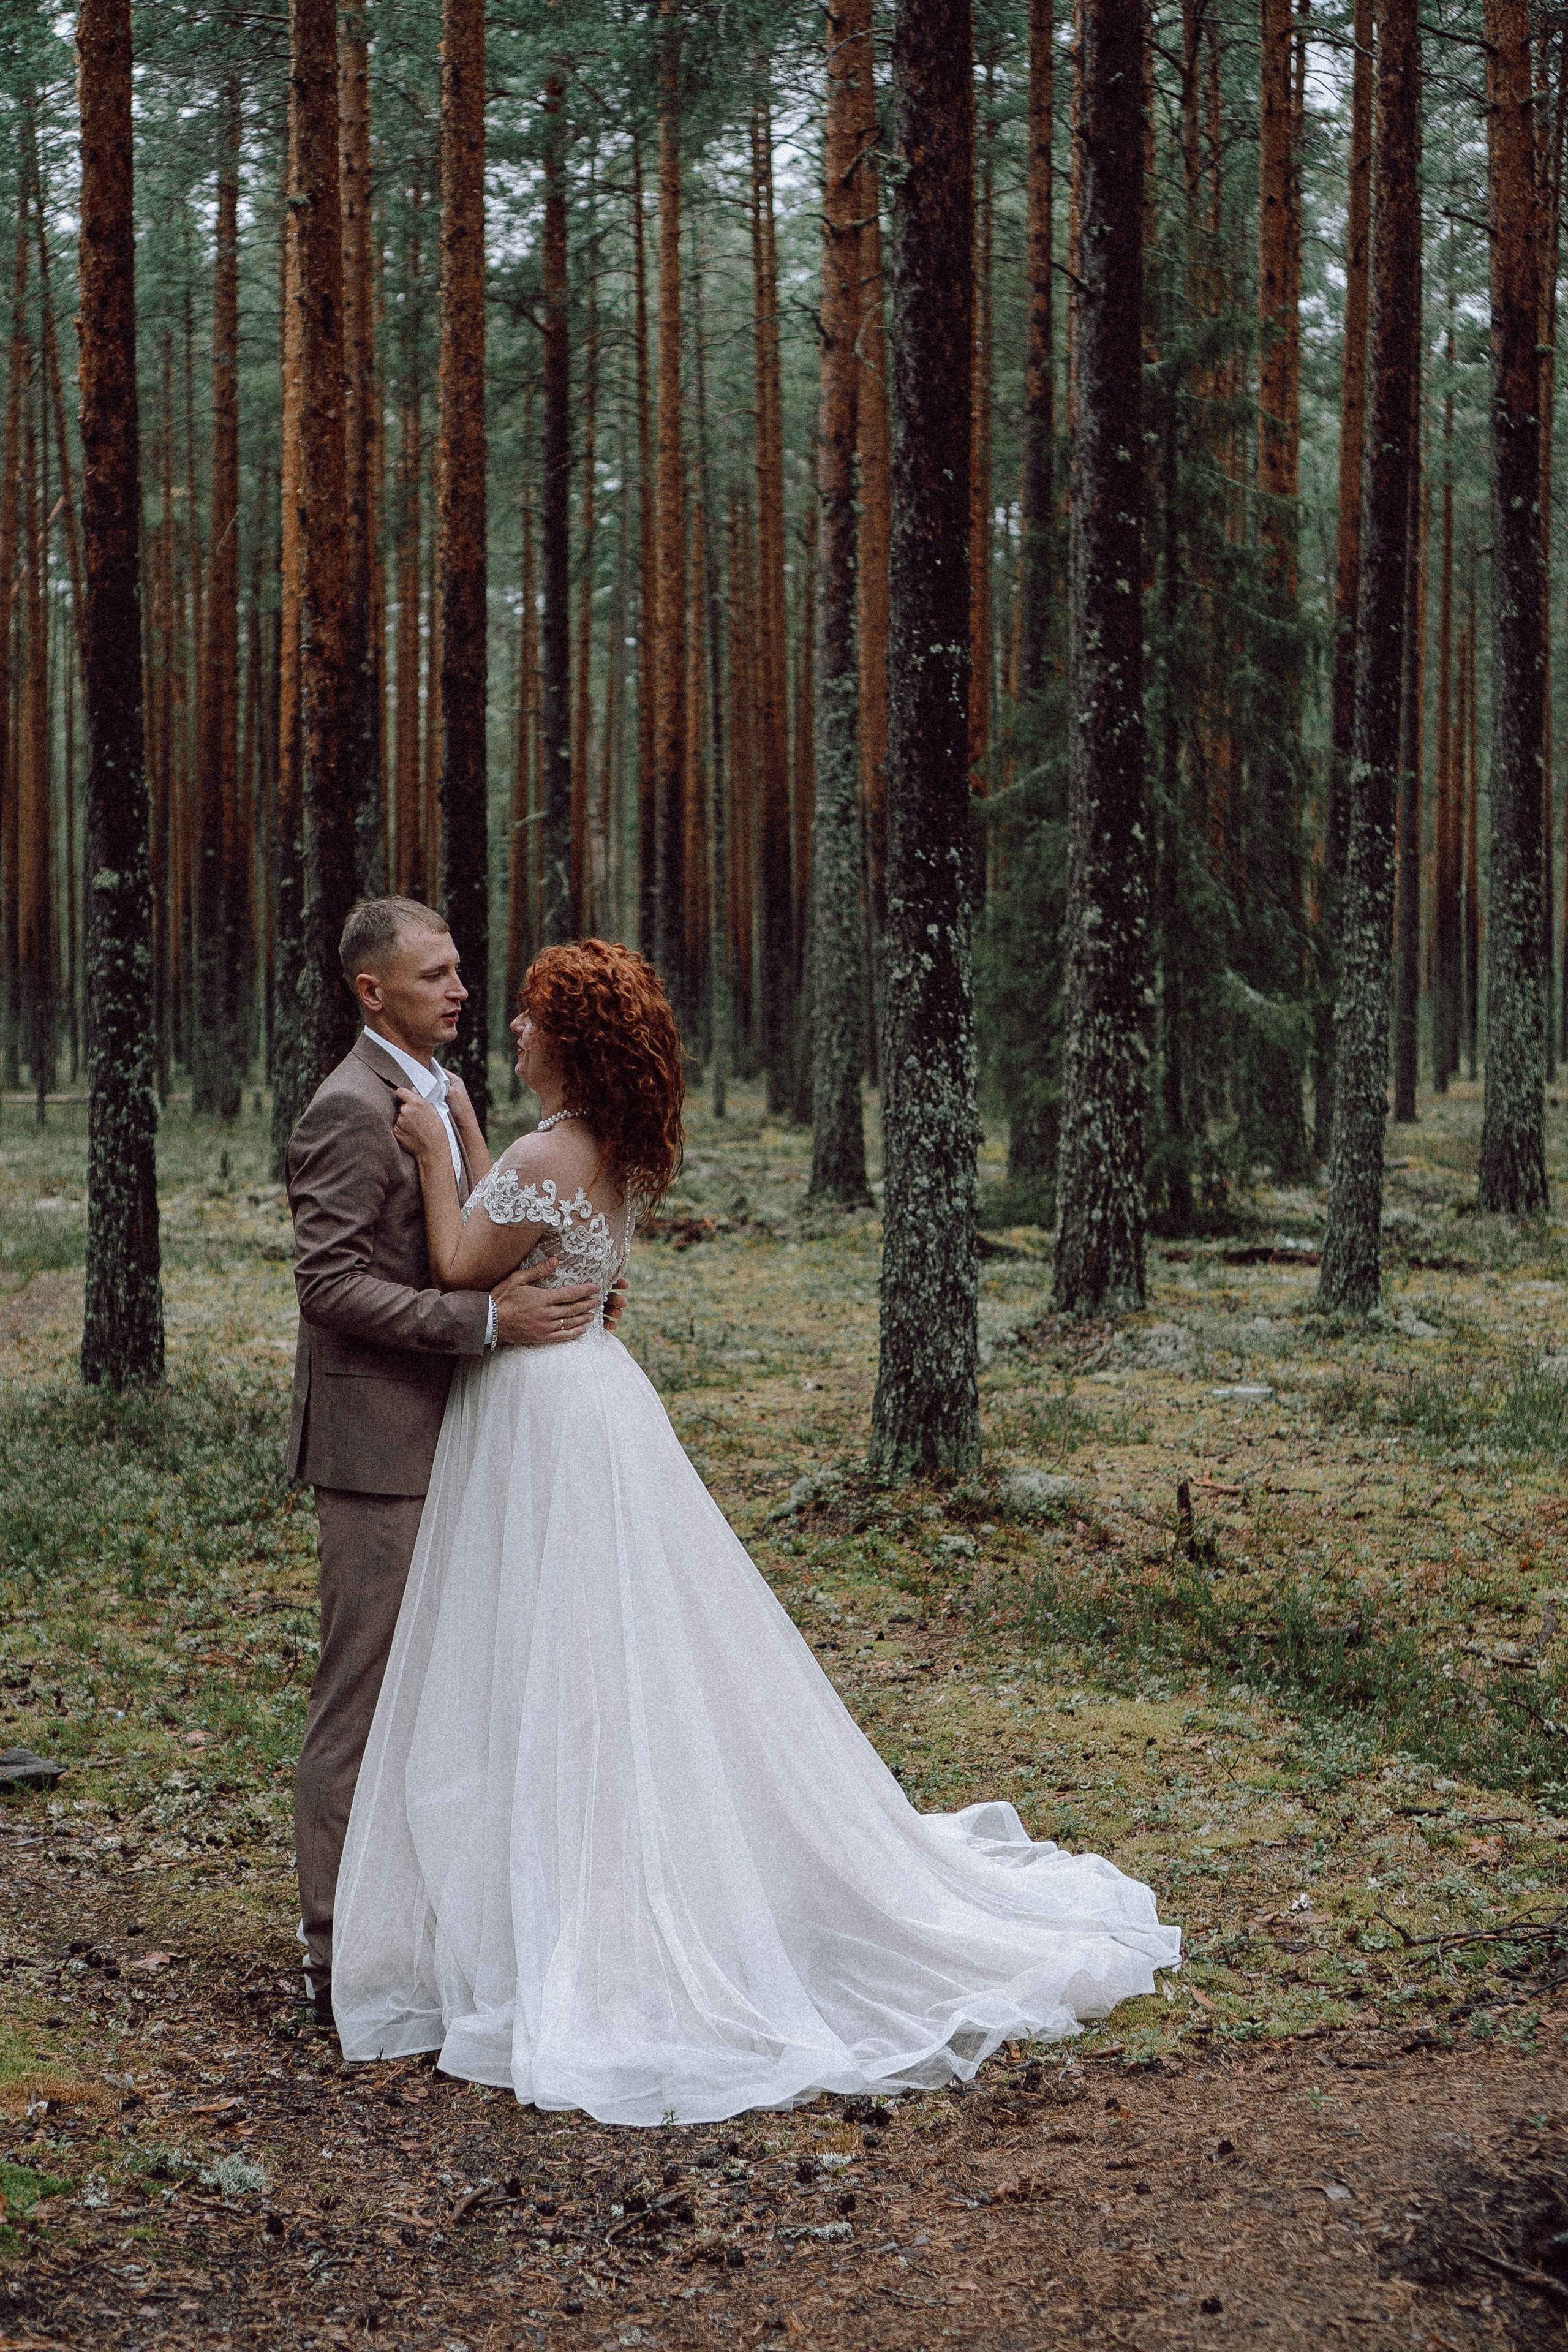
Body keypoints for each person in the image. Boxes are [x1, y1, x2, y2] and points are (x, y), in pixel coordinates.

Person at [331, 938, 1179, 2126]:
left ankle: (581, 1898)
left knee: (559, 1644)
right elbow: (515, 1210)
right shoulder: (599, 1145)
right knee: (602, 1642)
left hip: (541, 1411)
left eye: (527, 1019)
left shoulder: (542, 1150)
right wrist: (468, 1135)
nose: (510, 1032)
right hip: (591, 1394)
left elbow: (465, 1253)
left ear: (567, 1038)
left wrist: (429, 1149)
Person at [285, 898, 623, 2029]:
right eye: (434, 976)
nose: (462, 990)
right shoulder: (348, 1108)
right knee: (367, 1695)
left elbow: (495, 1231)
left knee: (463, 1694)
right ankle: (337, 1956)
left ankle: (441, 1934)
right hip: (382, 1444)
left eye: (462, 970)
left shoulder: (447, 1098)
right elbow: (329, 1286)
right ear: (371, 991)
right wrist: (484, 1324)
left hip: (484, 1441)